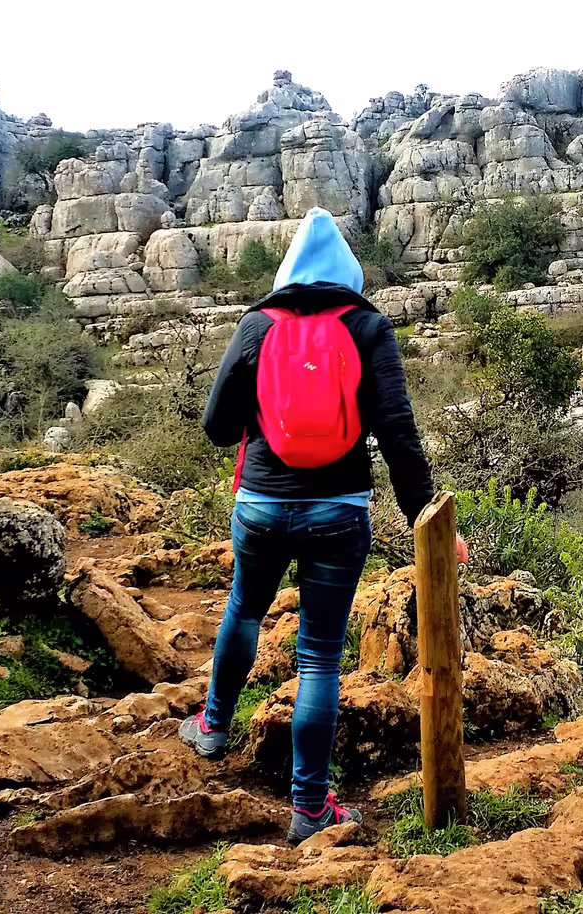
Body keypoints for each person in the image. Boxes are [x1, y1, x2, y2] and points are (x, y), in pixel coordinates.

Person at [181, 207, 462, 844]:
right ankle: (309, 808)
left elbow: (216, 428)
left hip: (259, 505)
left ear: (287, 271)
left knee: (245, 609)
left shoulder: (257, 324)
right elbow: (397, 431)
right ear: (350, 272)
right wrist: (426, 517)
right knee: (320, 659)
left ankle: (214, 727)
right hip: (339, 512)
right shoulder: (368, 327)